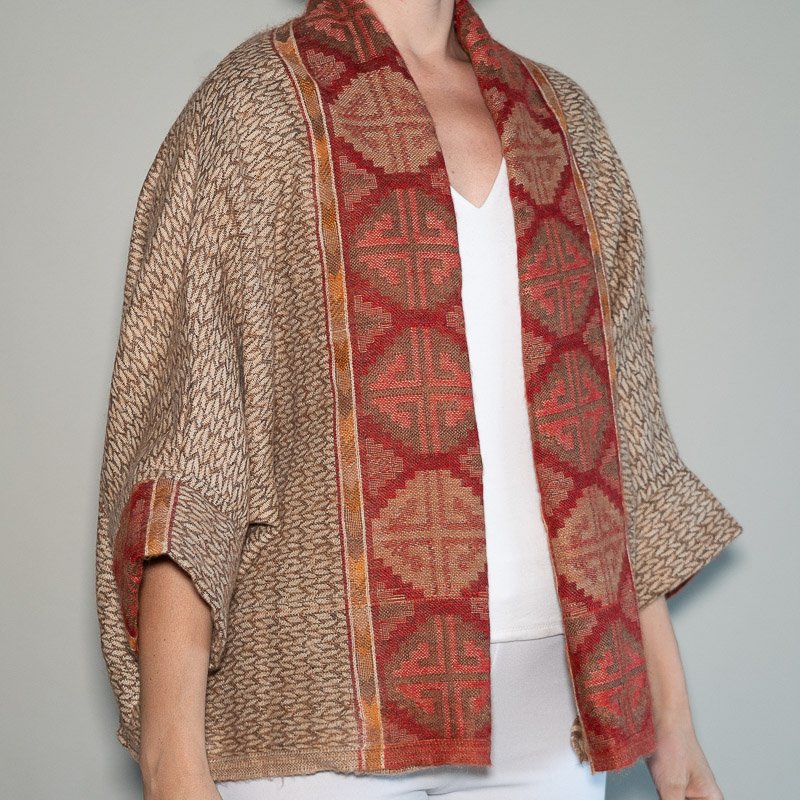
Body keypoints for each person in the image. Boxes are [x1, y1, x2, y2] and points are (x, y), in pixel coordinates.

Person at [94, 1, 743, 799]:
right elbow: (190, 458)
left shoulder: (561, 119)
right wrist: (171, 767)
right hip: (322, 737)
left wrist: (672, 728)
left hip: (552, 733)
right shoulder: (259, 108)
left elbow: (620, 452)